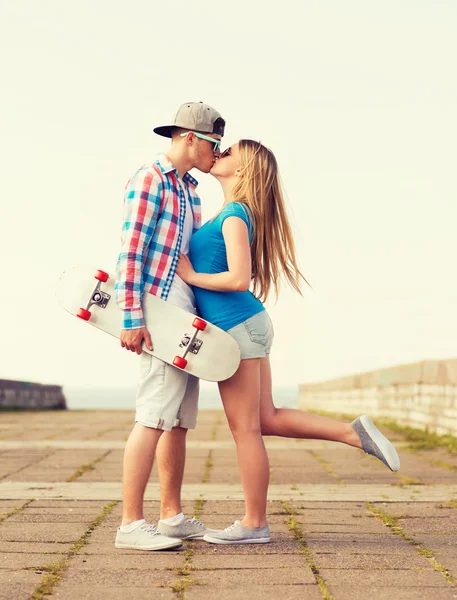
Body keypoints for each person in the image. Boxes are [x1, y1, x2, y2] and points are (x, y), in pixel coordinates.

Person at [176, 139, 401, 545]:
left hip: (236, 327)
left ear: (242, 172)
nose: (220, 154)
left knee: (246, 429)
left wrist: (192, 277)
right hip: (247, 323)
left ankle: (253, 524)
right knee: (266, 418)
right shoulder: (236, 213)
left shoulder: (233, 217)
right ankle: (354, 434)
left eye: (228, 154)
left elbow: (238, 280)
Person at [114, 102, 226, 551]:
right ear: (190, 138)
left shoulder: (191, 190)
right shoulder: (150, 179)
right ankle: (129, 525)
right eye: (213, 145)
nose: (216, 155)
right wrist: (131, 318)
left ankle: (171, 516)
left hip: (183, 318)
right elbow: (130, 252)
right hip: (156, 314)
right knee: (153, 415)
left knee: (177, 421)